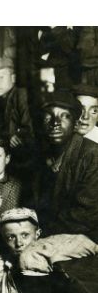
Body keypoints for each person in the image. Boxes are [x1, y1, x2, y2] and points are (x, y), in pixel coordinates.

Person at [33, 90, 98, 242]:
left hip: (87, 237)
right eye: (48, 116)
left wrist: (41, 234)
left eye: (64, 116)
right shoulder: (42, 157)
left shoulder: (93, 155)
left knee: (28, 258)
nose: (55, 123)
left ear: (76, 122)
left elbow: (85, 215)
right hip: (53, 234)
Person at [0, 57, 34, 147]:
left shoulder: (20, 94)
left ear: (13, 78)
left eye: (0, 77)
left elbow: (29, 128)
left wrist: (17, 136)